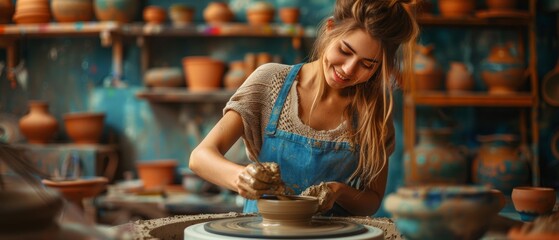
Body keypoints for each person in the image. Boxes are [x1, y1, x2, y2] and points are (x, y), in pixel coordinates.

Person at [189, 0, 419, 216]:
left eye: (367, 64)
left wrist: (339, 191)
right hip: (261, 232)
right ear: (330, 29)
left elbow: (372, 200)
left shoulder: (374, 112)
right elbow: (200, 157)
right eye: (345, 51)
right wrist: (241, 176)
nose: (349, 69)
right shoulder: (271, 82)